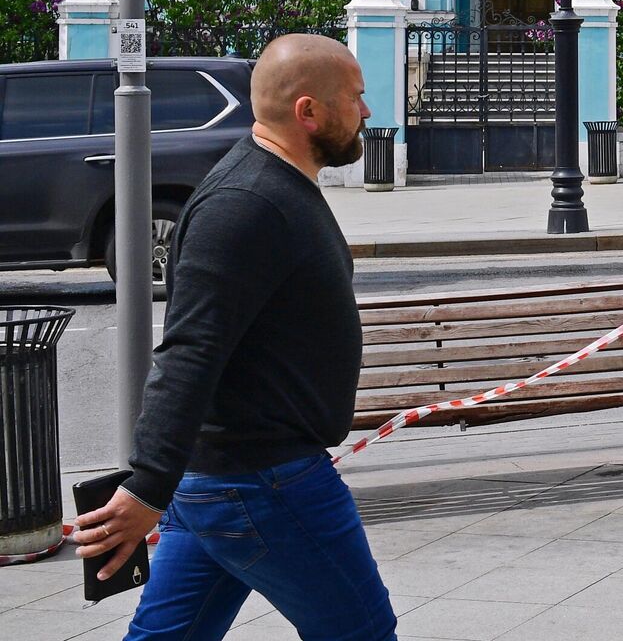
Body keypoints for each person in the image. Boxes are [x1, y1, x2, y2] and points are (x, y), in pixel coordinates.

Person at [74, 35, 398, 640]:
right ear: (309, 112)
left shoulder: (275, 186)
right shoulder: (245, 203)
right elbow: (191, 350)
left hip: (230, 480)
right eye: (355, 98)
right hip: (262, 480)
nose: (367, 110)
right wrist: (147, 484)